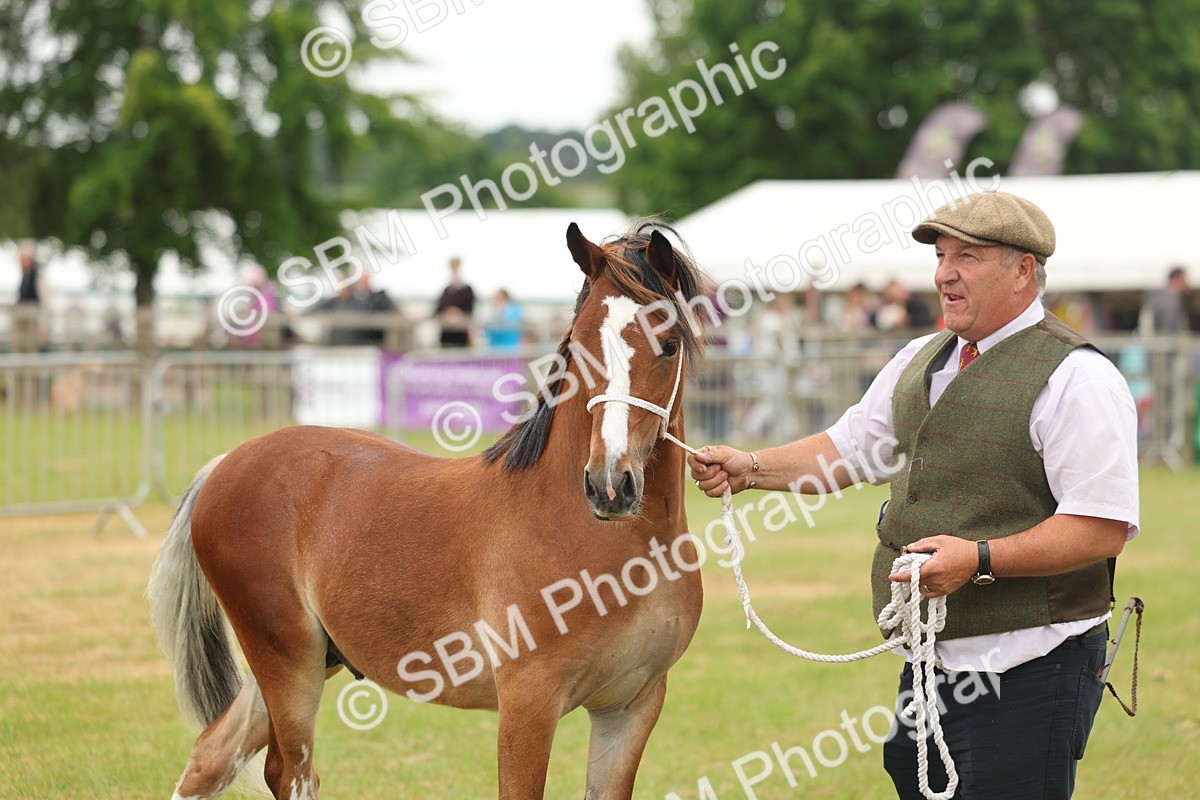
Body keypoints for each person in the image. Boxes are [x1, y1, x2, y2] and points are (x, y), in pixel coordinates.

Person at [690, 191, 1139, 799]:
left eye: (969, 257)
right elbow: (850, 448)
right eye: (942, 255)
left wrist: (977, 560)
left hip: (1037, 660)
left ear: (1023, 270)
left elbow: (1100, 528)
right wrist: (751, 467)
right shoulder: (918, 359)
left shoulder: (1078, 378)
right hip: (931, 663)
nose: (944, 273)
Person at [435, 257, 475, 347]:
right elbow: (438, 308)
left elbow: (470, 309)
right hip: (446, 331)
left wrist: (458, 313)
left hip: (461, 331)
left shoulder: (467, 290)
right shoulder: (446, 290)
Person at [1140, 266, 1190, 333]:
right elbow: (1147, 320)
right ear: (1175, 279)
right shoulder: (1159, 298)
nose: (1186, 282)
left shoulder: (1177, 299)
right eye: (1184, 279)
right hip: (1163, 339)